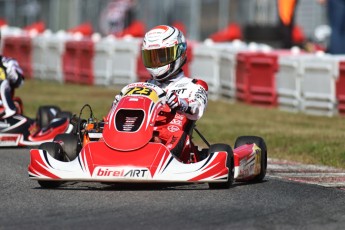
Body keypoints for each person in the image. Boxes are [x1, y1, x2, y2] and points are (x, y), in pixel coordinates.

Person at [112, 25, 208, 162]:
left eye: (162, 56)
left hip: (171, 136)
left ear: (178, 52)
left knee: (170, 132)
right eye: (152, 57)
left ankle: (159, 156)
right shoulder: (144, 86)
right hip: (138, 131)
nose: (156, 62)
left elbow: (196, 109)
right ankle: (105, 147)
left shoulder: (194, 85)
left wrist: (181, 103)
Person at [0, 31, 25, 119]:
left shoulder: (7, 62)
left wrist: (11, 73)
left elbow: (20, 82)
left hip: (3, 106)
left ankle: (8, 111)